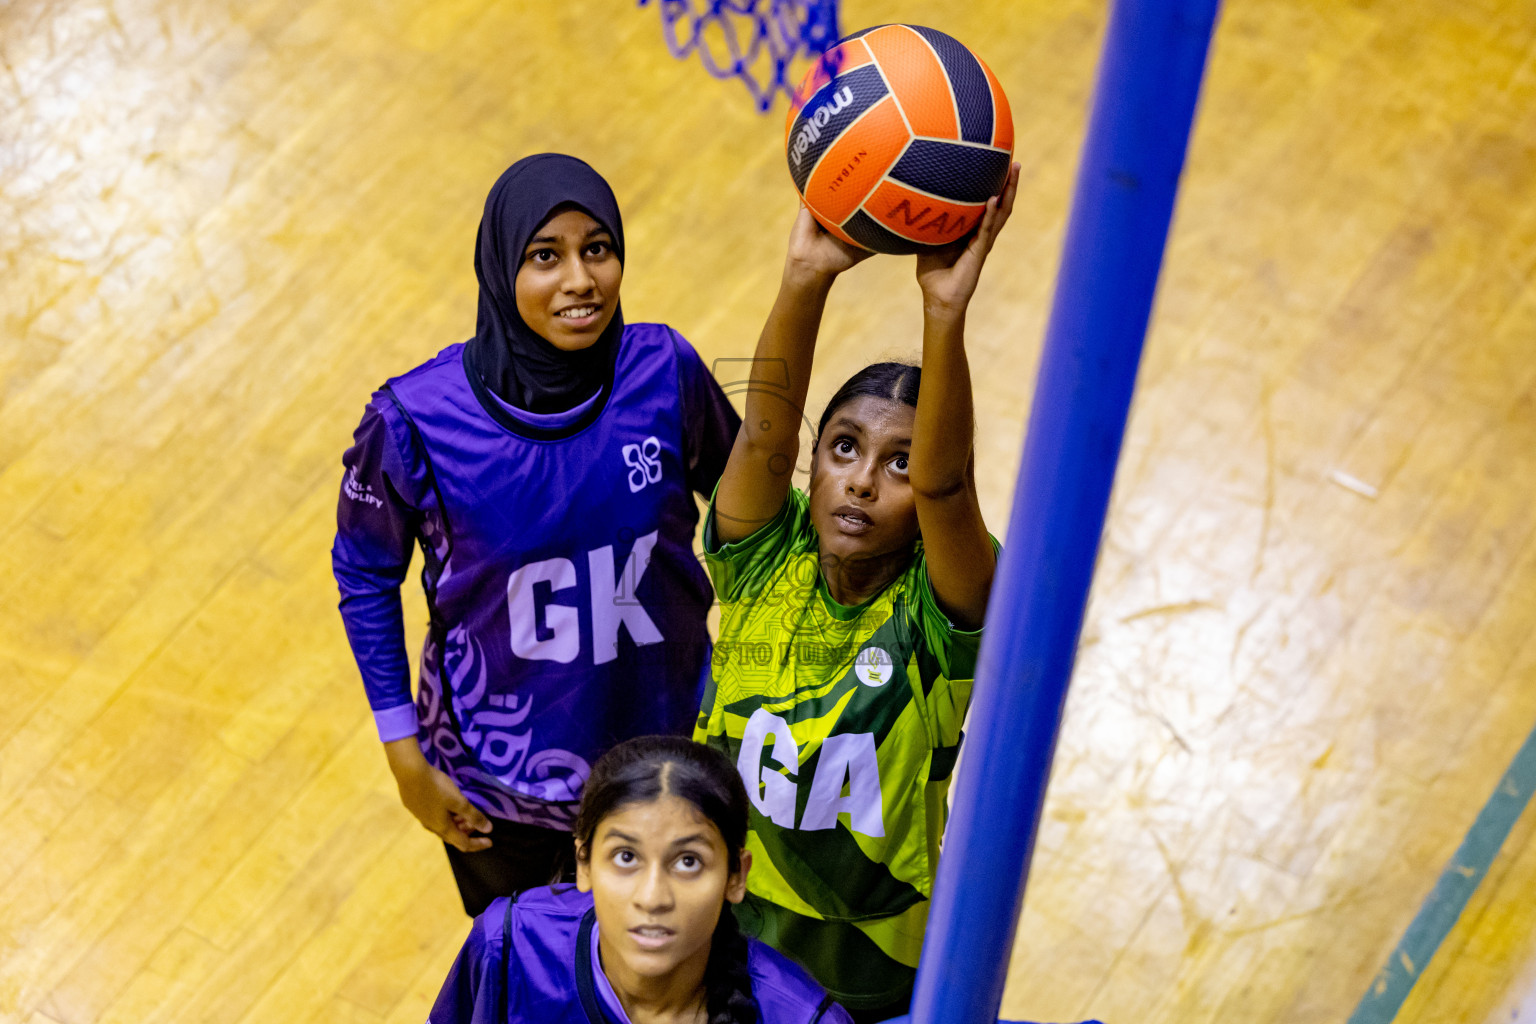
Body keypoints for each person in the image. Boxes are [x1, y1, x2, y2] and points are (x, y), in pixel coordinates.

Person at [332, 154, 740, 916]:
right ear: (498, 266)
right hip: (496, 792)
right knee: (534, 984)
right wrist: (401, 753)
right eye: (544, 256)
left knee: (666, 977)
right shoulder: (413, 422)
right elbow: (364, 573)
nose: (580, 279)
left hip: (670, 762)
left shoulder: (667, 372)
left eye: (599, 248)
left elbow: (755, 523)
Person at [694, 164, 1021, 1021]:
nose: (864, 481)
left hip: (868, 966)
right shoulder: (766, 554)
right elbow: (764, 430)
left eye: (899, 462)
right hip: (722, 929)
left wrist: (943, 313)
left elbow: (952, 488)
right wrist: (805, 276)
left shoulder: (941, 616)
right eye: (844, 447)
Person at [429, 736, 855, 1024]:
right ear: (584, 864)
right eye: (626, 856)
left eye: (688, 862)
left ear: (735, 876)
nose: (652, 898)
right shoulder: (509, 944)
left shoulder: (802, 1017)